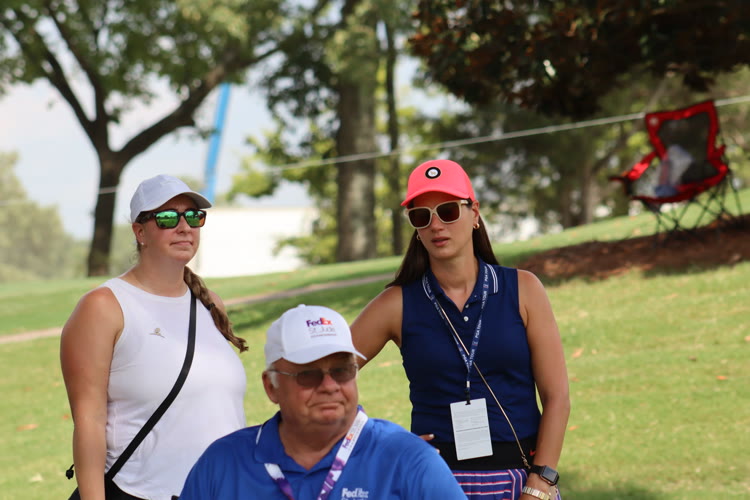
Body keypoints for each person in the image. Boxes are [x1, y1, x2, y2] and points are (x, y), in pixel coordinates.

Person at [350, 159, 570, 500]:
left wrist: (540, 482)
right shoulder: (396, 304)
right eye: (421, 216)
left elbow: (557, 398)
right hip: (434, 485)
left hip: (522, 483)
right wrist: (376, 442)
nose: (436, 225)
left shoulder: (524, 289)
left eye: (448, 211)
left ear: (475, 213)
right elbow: (324, 376)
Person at [60, 174, 249, 500]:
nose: (184, 227)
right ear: (140, 231)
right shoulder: (104, 306)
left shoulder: (209, 303)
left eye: (193, 216)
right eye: (167, 217)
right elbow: (89, 421)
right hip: (139, 492)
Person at [179, 304, 467, 499]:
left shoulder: (407, 459)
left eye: (342, 371)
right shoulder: (223, 464)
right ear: (271, 387)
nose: (329, 386)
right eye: (308, 375)